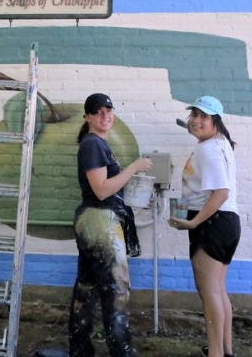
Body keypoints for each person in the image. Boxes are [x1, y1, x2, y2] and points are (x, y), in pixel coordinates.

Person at [68, 93, 153, 357]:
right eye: (98, 112)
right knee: (116, 290)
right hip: (100, 221)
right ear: (88, 117)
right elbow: (102, 190)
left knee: (87, 288)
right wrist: (134, 168)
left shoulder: (97, 144)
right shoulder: (93, 144)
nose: (105, 115)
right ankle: (122, 352)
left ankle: (80, 350)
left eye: (108, 110)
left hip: (95, 221)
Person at [168, 96, 240, 357]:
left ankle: (215, 353)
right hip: (227, 222)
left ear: (216, 121)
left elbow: (220, 192)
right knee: (218, 290)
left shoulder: (208, 149)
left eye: (203, 117)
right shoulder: (221, 143)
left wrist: (193, 222)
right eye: (194, 115)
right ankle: (226, 350)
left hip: (211, 221)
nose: (196, 121)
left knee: (209, 292)